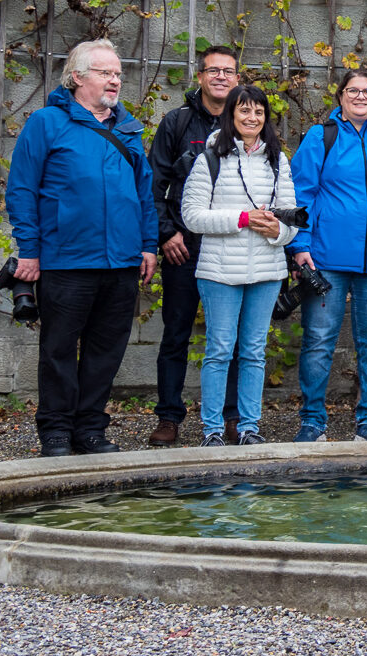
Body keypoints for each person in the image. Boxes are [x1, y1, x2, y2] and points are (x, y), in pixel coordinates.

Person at [5, 39, 157, 458]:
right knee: (57, 351)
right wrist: (30, 251)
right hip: (66, 260)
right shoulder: (46, 123)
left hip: (122, 262)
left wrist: (148, 245)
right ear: (77, 77)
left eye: (118, 74)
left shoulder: (128, 127)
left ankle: (90, 429)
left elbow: (145, 194)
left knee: (105, 353)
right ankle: (55, 431)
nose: (115, 80)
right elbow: (21, 190)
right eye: (106, 72)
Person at [290, 68, 367, 442]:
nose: (360, 97)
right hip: (325, 260)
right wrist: (299, 246)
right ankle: (312, 420)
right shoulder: (320, 137)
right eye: (352, 91)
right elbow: (302, 196)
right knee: (318, 340)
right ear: (341, 96)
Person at [178, 85, 299, 446]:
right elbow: (192, 216)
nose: (252, 118)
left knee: (253, 351)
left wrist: (278, 230)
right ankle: (212, 430)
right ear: (231, 115)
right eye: (244, 111)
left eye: (259, 112)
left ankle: (249, 427)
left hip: (266, 270)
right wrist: (243, 219)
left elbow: (291, 222)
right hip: (219, 271)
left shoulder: (277, 159)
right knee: (219, 349)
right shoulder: (211, 157)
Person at [146, 44, 241, 448]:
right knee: (176, 333)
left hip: (232, 248)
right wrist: (167, 233)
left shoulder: (248, 122)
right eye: (213, 70)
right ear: (200, 76)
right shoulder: (176, 123)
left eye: (228, 71)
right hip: (184, 247)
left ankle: (233, 417)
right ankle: (169, 417)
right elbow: (154, 185)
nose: (221, 77)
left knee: (231, 336)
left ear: (238, 79)